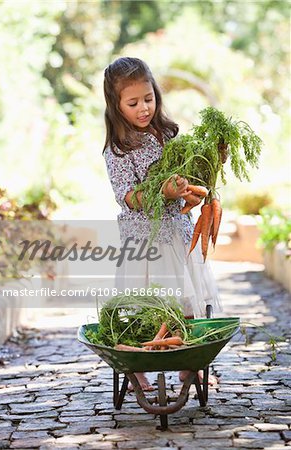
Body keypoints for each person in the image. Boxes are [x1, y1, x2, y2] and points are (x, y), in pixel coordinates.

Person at [103, 57, 222, 390]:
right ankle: (133, 366)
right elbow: (127, 196)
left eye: (149, 98)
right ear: (115, 106)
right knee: (147, 306)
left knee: (186, 300)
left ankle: (187, 362)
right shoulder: (118, 149)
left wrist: (205, 171)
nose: (144, 108)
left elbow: (189, 178)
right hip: (145, 241)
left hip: (178, 234)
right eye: (133, 102)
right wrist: (161, 191)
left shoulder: (168, 134)